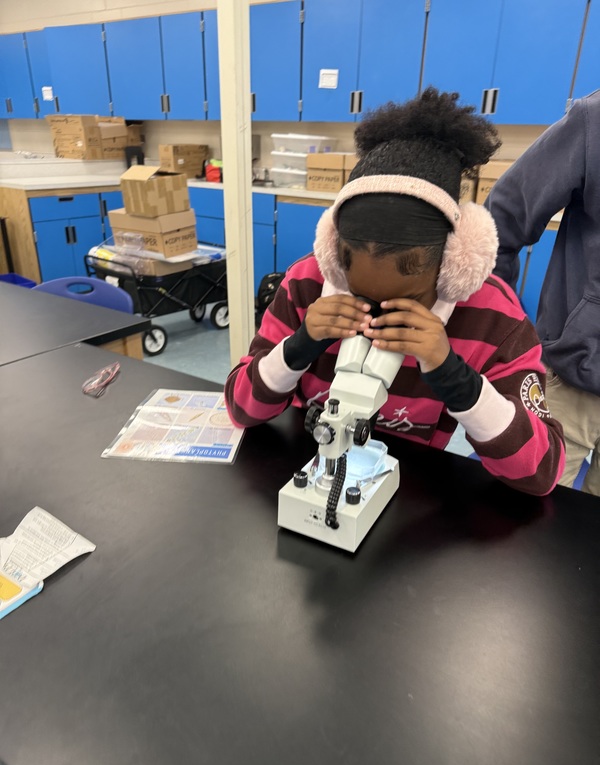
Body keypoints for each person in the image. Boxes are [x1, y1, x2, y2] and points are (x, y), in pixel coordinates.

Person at [225, 88, 565, 496]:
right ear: (333, 255)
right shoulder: (308, 284)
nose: (373, 322)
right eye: (361, 297)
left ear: (455, 264)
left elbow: (540, 472)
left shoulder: (494, 316)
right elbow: (241, 407)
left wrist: (455, 377)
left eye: (402, 303)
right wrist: (297, 347)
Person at [485, 90, 600, 496]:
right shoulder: (594, 120)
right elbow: (502, 218)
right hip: (575, 376)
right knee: (526, 524)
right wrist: (501, 326)